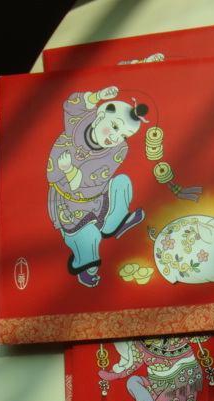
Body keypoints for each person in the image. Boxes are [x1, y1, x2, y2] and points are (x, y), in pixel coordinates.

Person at [47, 86, 147, 287]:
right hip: (69, 204)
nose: (116, 137)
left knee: (122, 182)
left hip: (93, 193)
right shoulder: (78, 125)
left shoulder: (118, 150)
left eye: (124, 135)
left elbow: (87, 182)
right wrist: (98, 96)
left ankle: (115, 225)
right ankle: (87, 267)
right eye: (115, 127)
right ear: (99, 116)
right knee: (88, 236)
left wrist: (69, 169)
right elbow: (71, 104)